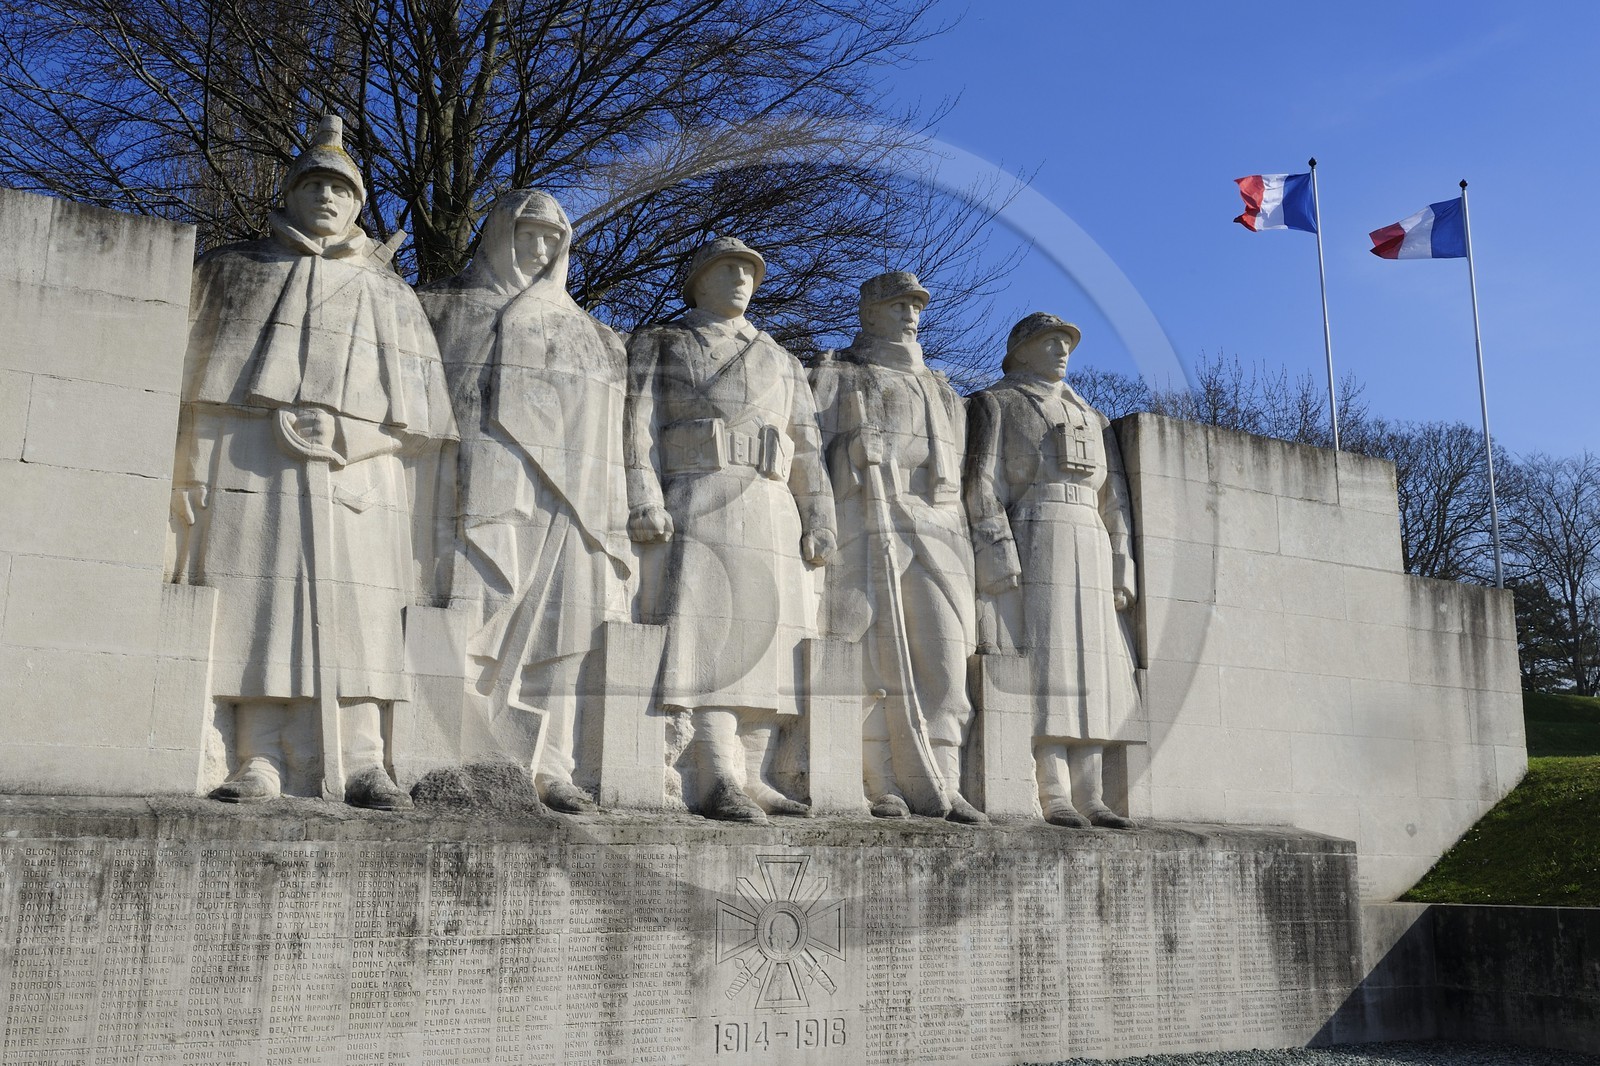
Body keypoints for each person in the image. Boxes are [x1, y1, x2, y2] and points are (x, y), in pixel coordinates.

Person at [170, 115, 456, 809]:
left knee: (361, 614)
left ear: (358, 204)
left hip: (359, 476)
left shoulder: (391, 294)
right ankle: (258, 756)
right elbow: (194, 391)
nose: (327, 198)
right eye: (315, 184)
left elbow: (422, 424)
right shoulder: (232, 272)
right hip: (253, 464)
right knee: (256, 607)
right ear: (291, 193)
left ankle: (362, 757)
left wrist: (348, 439)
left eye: (341, 188)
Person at [419, 189, 631, 813]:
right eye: (526, 234)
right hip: (485, 490)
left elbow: (611, 440)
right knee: (474, 607)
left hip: (577, 505)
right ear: (498, 235)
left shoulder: (597, 338)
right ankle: (457, 751)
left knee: (564, 634)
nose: (539, 249)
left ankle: (554, 764)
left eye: (551, 238)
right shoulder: (444, 307)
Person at [624, 236, 836, 823]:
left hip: (771, 502)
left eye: (750, 271)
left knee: (769, 639)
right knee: (711, 634)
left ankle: (755, 770)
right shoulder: (662, 342)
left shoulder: (782, 359)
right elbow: (637, 428)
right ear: (698, 280)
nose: (742, 279)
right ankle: (716, 772)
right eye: (728, 269)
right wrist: (643, 495)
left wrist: (819, 516)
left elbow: (807, 447)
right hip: (700, 490)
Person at [810, 271, 984, 823]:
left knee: (945, 663)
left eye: (916, 305)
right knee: (865, 659)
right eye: (897, 305)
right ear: (869, 312)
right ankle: (878, 780)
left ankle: (945, 782)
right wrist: (851, 456)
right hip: (868, 523)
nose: (911, 314)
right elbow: (805, 465)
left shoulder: (945, 394)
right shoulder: (836, 375)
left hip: (940, 533)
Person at [964, 312, 1138, 829]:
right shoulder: (996, 403)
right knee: (1048, 665)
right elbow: (982, 484)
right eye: (1049, 341)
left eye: (1067, 341)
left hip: (1090, 537)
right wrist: (996, 552)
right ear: (1020, 349)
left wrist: (1121, 567)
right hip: (1037, 531)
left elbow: (1116, 501)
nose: (1061, 349)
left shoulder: (1094, 417)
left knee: (1095, 671)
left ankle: (1093, 794)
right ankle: (1052, 790)